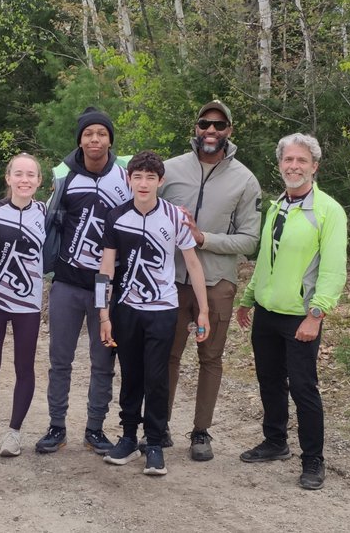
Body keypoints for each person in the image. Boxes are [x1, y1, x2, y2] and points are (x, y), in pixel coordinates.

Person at [235, 133, 347, 491]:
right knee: (269, 380)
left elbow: (333, 270)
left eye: (301, 161)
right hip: (267, 312)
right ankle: (275, 441)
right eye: (288, 160)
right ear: (280, 164)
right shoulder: (276, 206)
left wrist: (316, 314)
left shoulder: (328, 211)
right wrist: (249, 297)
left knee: (303, 387)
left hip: (301, 316)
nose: (294, 166)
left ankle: (313, 459)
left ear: (314, 167)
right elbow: (267, 261)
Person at [97, 150, 210, 476]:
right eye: (137, 177)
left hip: (163, 310)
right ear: (129, 180)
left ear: (160, 181)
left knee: (157, 378)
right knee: (130, 375)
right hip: (126, 309)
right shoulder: (116, 216)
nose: (143, 183)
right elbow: (105, 269)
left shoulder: (174, 216)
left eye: (150, 177)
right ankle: (129, 437)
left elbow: (192, 263)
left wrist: (203, 311)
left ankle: (155, 442)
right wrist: (103, 313)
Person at [159, 100, 262, 461]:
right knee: (167, 356)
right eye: (205, 124)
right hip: (170, 281)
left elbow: (251, 239)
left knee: (211, 358)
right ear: (196, 127)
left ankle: (201, 432)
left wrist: (205, 239)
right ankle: (159, 427)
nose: (211, 131)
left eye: (219, 125)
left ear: (229, 131)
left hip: (217, 283)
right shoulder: (169, 171)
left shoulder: (245, 180)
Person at [36, 107, 132, 455]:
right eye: (88, 133)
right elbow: (44, 217)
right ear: (79, 139)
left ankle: (95, 428)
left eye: (101, 133)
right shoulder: (64, 176)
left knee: (102, 362)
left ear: (110, 139)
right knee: (60, 359)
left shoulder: (125, 174)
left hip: (109, 286)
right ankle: (56, 426)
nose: (95, 139)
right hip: (66, 282)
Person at [0, 154, 46, 458]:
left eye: (31, 175)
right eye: (19, 174)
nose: (24, 180)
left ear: (39, 181)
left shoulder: (45, 212)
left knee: (24, 368)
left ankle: (14, 434)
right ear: (8, 178)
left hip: (28, 303)